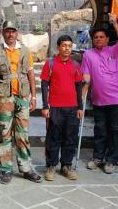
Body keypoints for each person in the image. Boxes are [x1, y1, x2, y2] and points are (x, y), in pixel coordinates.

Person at [0, 20, 42, 184]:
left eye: (13, 31)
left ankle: (26, 168)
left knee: (22, 134)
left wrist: (34, 96)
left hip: (22, 97)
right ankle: (6, 169)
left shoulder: (25, 51)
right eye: (7, 31)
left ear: (17, 33)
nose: (10, 34)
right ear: (3, 33)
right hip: (3, 97)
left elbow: (31, 74)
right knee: (4, 133)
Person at [81, 12, 118, 174]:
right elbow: (86, 76)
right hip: (98, 100)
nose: (98, 39)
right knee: (100, 130)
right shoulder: (88, 54)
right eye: (96, 37)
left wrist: (115, 24)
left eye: (102, 37)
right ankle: (98, 157)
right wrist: (82, 97)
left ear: (108, 39)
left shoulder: (116, 50)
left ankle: (111, 160)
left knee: (116, 130)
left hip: (117, 99)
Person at [40, 35, 83, 181]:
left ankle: (66, 166)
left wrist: (80, 107)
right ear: (58, 47)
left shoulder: (76, 65)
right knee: (53, 138)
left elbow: (78, 87)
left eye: (69, 46)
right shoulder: (50, 64)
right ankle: (51, 166)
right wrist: (45, 106)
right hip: (55, 107)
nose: (67, 48)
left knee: (70, 137)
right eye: (64, 46)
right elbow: (44, 84)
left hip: (72, 108)